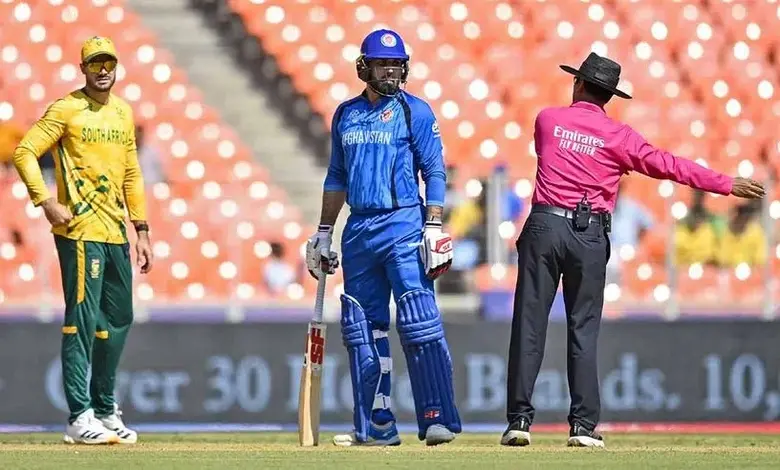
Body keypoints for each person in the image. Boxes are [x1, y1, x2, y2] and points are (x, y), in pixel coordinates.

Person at [501, 52, 766, 449]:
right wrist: (724, 184)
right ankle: (582, 427)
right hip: (588, 233)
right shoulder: (619, 136)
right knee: (583, 329)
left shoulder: (548, 120)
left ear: (577, 83)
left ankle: (519, 421)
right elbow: (669, 165)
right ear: (610, 96)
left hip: (545, 225)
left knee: (529, 324)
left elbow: (554, 151)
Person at [306, 28, 461, 447]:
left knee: (419, 320)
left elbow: (435, 171)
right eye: (382, 64)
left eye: (396, 64)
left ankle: (436, 418)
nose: (391, 71)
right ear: (364, 68)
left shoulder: (416, 111)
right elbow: (336, 176)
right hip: (359, 230)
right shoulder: (346, 114)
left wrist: (433, 224)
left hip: (404, 224)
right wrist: (324, 232)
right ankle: (377, 425)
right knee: (363, 328)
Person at [13, 36, 153, 445]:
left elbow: (131, 174)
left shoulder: (123, 113)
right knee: (83, 320)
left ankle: (105, 409)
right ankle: (79, 416)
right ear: (83, 69)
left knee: (119, 319)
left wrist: (142, 229)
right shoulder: (66, 109)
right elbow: (24, 152)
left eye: (108, 63)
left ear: (116, 67)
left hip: (115, 232)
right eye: (95, 64)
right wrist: (45, 202)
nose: (103, 70)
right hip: (79, 232)